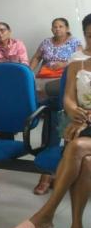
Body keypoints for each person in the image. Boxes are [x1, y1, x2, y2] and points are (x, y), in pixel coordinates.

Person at [11, 52, 91, 228]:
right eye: (90, 35)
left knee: (76, 147)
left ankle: (46, 214)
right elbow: (69, 100)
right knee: (86, 162)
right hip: (82, 129)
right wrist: (75, 113)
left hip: (83, 133)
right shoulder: (76, 65)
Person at [30, 17, 82, 195]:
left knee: (61, 116)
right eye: (55, 26)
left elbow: (79, 62)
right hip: (45, 80)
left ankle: (58, 174)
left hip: (65, 82)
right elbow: (37, 57)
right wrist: (28, 72)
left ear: (67, 28)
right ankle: (48, 173)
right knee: (54, 115)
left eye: (61, 26)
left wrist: (65, 64)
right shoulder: (46, 42)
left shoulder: (75, 43)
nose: (57, 29)